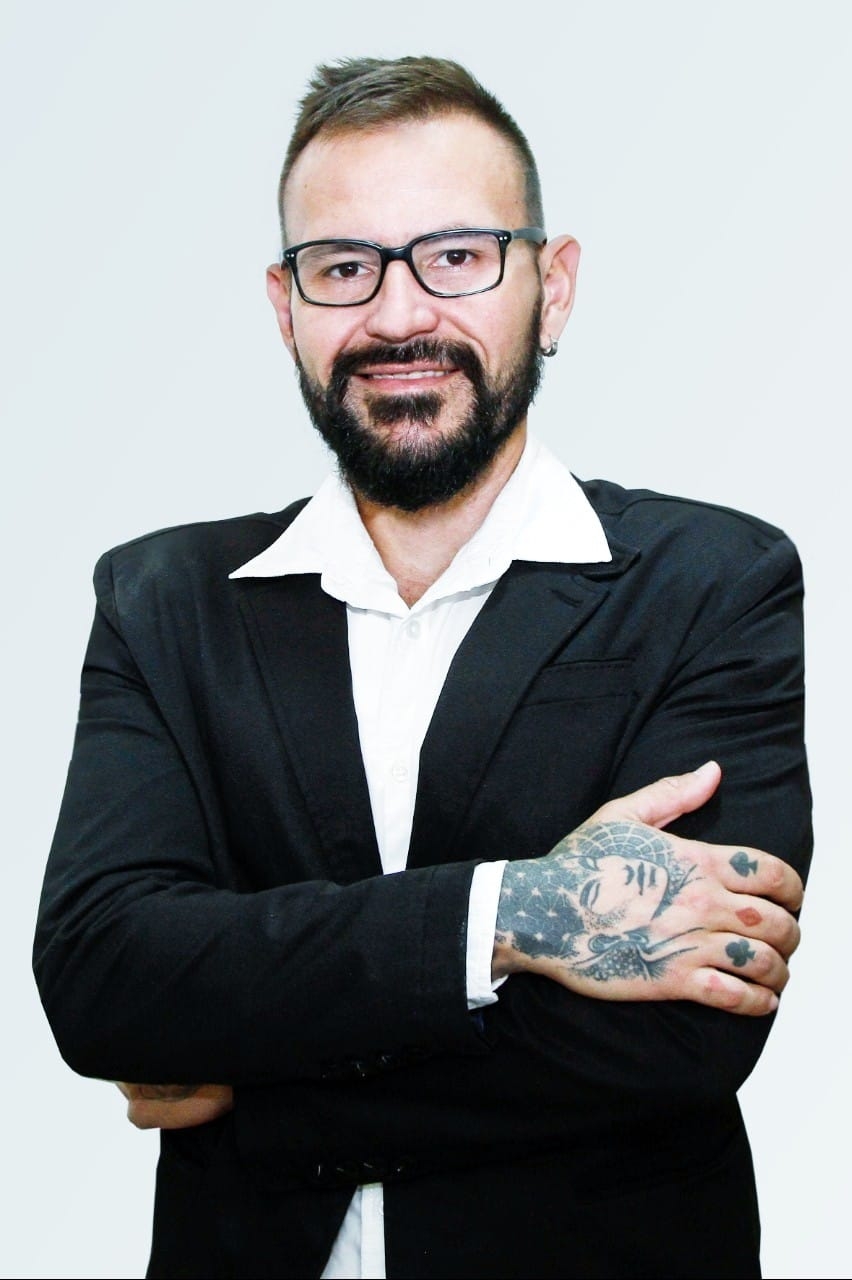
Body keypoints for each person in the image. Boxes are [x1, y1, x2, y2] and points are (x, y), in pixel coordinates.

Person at [33, 55, 811, 1280]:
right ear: (286, 306)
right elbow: (104, 978)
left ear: (553, 289)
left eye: (456, 256)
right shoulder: (162, 602)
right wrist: (515, 915)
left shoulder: (712, 582)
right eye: (344, 266)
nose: (398, 316)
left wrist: (253, 1084)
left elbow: (680, 1037)